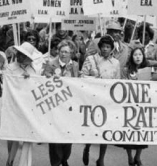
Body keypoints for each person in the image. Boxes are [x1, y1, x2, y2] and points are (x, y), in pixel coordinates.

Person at [81, 35, 121, 166]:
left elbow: (118, 81)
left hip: (107, 99)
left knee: (106, 130)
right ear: (99, 47)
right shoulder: (91, 59)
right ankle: (87, 148)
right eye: (103, 46)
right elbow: (82, 76)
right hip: (92, 98)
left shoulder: (116, 63)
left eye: (108, 47)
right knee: (92, 127)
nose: (105, 49)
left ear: (111, 49)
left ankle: (101, 158)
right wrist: (95, 80)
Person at [43, 40, 79, 166]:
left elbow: (77, 83)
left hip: (69, 106)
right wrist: (49, 77)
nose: (63, 54)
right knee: (54, 134)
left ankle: (64, 158)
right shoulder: (51, 63)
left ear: (72, 53)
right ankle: (55, 161)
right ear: (58, 52)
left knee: (67, 134)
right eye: (61, 51)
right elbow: (44, 79)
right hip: (54, 105)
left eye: (67, 52)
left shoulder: (75, 65)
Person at [6, 42, 42, 166]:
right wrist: (19, 80)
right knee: (13, 136)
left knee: (28, 137)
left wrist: (30, 80)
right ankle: (10, 160)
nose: (19, 56)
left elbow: (38, 86)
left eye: (23, 54)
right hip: (14, 106)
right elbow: (7, 83)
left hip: (29, 107)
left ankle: (25, 163)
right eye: (19, 53)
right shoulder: (10, 67)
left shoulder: (35, 69)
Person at [118, 47, 149, 166]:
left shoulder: (147, 69)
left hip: (142, 106)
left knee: (141, 133)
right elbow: (122, 85)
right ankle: (130, 157)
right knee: (129, 133)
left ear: (143, 56)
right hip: (129, 106)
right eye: (135, 55)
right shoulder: (126, 70)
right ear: (131, 57)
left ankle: (138, 156)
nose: (138, 57)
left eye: (140, 55)